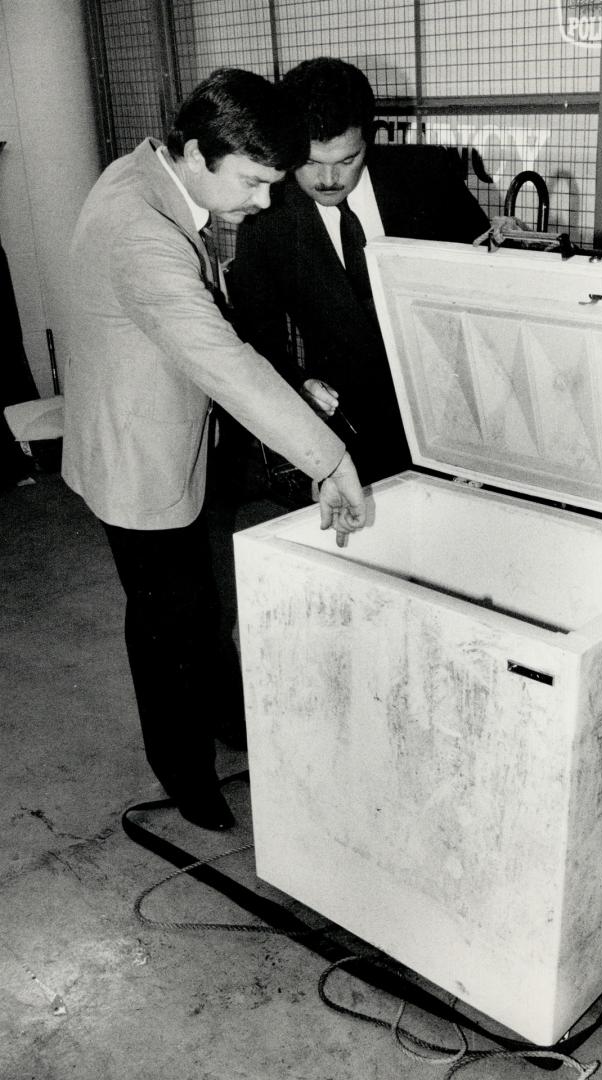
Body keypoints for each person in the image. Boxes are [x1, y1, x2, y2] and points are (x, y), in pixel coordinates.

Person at [61, 68, 366, 832]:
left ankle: (223, 717)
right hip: (141, 456)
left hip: (156, 426)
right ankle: (185, 773)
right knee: (169, 619)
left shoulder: (146, 170)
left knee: (189, 605)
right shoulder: (142, 230)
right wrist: (329, 459)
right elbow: (223, 360)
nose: (264, 201)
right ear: (197, 151)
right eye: (255, 181)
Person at [229, 57, 490, 486]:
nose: (329, 179)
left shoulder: (427, 176)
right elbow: (258, 335)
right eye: (311, 162)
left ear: (370, 137)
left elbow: (486, 283)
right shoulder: (264, 216)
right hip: (347, 421)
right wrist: (299, 386)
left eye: (348, 160)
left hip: (453, 405)